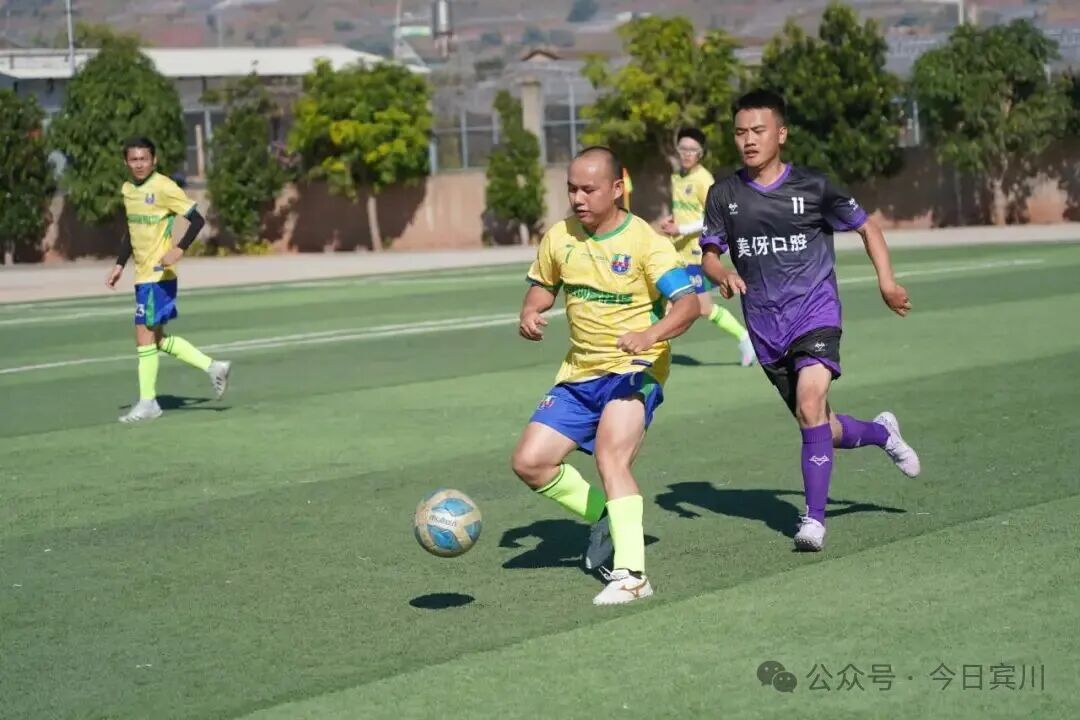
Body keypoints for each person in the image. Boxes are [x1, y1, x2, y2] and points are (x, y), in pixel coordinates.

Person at [699, 90, 921, 551]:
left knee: (810, 401)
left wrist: (887, 282)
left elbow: (867, 227)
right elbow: (710, 255)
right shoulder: (723, 194)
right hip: (765, 326)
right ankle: (881, 432)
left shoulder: (815, 186)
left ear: (780, 134)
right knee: (817, 422)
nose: (748, 140)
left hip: (815, 312)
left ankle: (813, 522)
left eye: (758, 131)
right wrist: (722, 273)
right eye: (740, 132)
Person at [511, 146, 699, 605]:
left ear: (617, 189)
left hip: (636, 368)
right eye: (571, 189)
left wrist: (649, 334)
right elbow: (542, 288)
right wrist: (530, 312)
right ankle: (605, 517)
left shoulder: (645, 243)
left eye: (588, 189)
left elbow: (688, 305)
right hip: (580, 370)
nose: (578, 198)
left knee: (611, 457)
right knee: (530, 463)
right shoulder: (559, 237)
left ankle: (632, 575)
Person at [106, 136, 231, 423]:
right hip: (142, 275)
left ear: (154, 160)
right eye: (134, 159)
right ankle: (214, 367)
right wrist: (119, 264)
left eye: (144, 158)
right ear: (126, 162)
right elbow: (131, 231)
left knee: (143, 336)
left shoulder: (164, 187)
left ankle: (148, 403)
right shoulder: (128, 190)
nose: (139, 164)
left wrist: (179, 249)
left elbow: (197, 220)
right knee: (157, 339)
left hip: (158, 275)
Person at [659, 128, 755, 366]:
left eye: (692, 150)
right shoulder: (677, 177)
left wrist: (681, 229)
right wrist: (673, 220)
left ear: (701, 153)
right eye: (683, 149)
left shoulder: (704, 180)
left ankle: (745, 337)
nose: (686, 154)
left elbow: (711, 217)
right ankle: (652, 354)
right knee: (665, 302)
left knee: (703, 308)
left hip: (695, 255)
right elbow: (686, 210)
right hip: (676, 253)